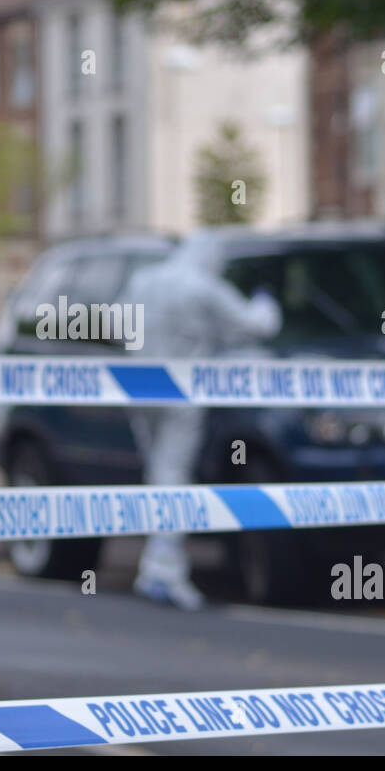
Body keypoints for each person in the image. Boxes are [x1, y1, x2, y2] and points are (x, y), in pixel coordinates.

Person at [122, 233, 281, 609]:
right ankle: (164, 570)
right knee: (171, 475)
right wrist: (266, 300)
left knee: (157, 475)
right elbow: (258, 326)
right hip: (180, 393)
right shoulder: (204, 287)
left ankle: (158, 567)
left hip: (136, 387)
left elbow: (117, 325)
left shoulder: (143, 280)